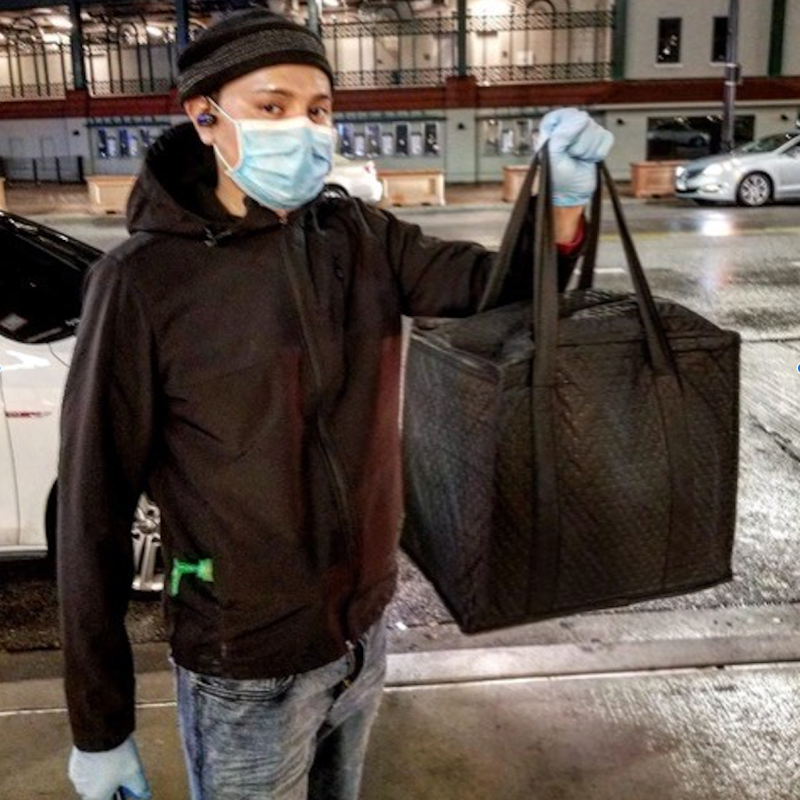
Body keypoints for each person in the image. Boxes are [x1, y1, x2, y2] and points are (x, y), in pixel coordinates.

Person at [58, 9, 613, 800]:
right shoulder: (143, 283)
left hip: (361, 637)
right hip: (246, 665)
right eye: (273, 106)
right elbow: (92, 511)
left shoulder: (359, 237)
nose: (305, 128)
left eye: (319, 109)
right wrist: (100, 725)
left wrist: (562, 201)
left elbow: (503, 290)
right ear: (205, 116)